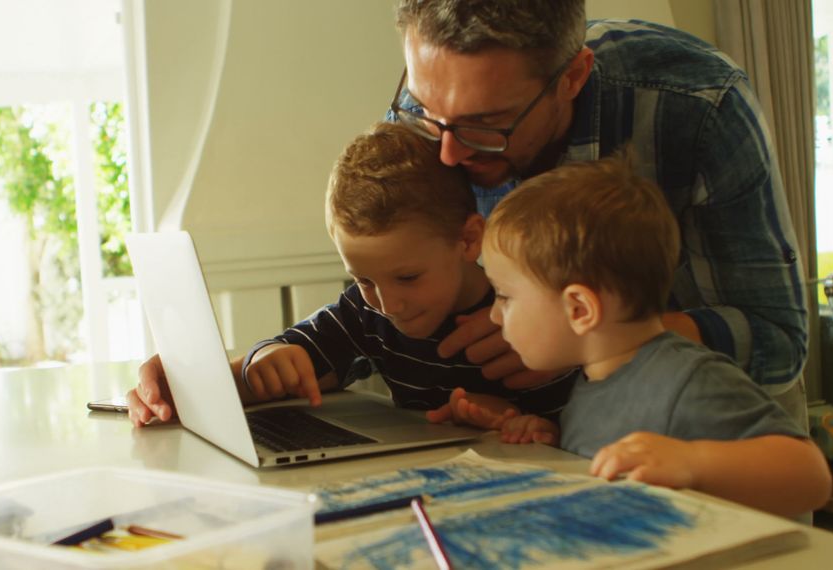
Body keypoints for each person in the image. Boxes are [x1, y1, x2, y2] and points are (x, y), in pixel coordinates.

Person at [389, 0, 810, 428]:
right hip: (553, 430)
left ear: (572, 77)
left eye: (485, 123)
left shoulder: (698, 103)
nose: (446, 153)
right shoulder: (433, 105)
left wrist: (581, 340)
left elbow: (777, 342)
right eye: (423, 108)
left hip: (720, 430)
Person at [127, 122, 575, 427]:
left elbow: (569, 432)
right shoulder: (367, 312)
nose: (387, 303)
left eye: (408, 278)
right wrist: (256, 365)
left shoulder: (523, 313)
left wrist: (516, 422)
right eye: (363, 279)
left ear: (467, 241)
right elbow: (296, 350)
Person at [473, 154, 831, 518]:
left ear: (579, 309)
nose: (493, 314)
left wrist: (693, 461)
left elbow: (811, 475)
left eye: (504, 295)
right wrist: (556, 440)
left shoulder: (687, 379)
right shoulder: (593, 381)